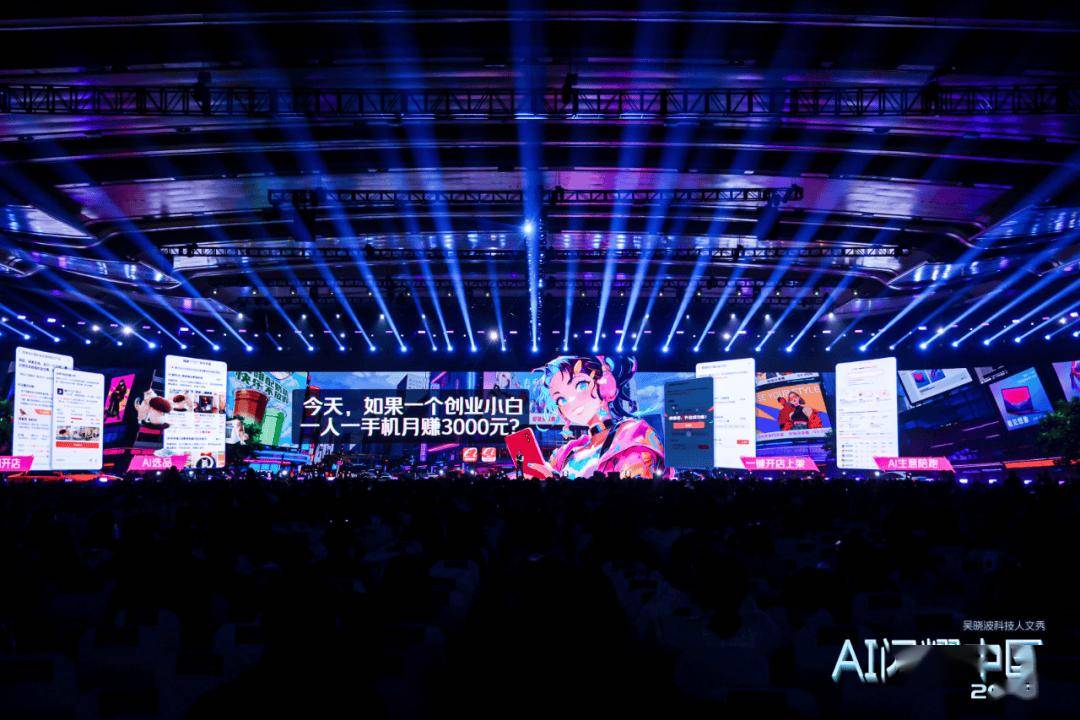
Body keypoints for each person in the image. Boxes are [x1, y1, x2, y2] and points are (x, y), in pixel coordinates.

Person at [527, 355, 664, 479]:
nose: (571, 401)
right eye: (561, 399)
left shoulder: (631, 436)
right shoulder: (567, 452)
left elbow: (633, 492)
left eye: (581, 385)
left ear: (606, 386)